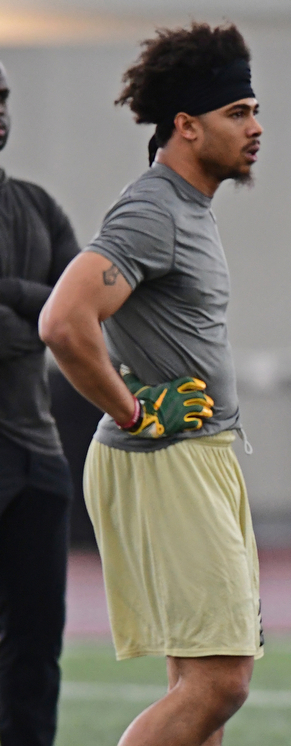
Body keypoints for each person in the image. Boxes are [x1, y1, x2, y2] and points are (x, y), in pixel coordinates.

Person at [39, 23, 264, 746]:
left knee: (199, 683)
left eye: (255, 110)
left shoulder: (188, 208)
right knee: (219, 682)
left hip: (199, 456)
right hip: (167, 460)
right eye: (239, 113)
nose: (256, 127)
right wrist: (136, 413)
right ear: (187, 127)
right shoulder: (153, 209)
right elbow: (64, 323)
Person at [0, 60, 80, 746]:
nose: (0, 110)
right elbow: (49, 314)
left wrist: (16, 296)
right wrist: (37, 304)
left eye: (2, 97)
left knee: (37, 647)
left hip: (39, 457)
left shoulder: (37, 205)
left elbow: (79, 314)